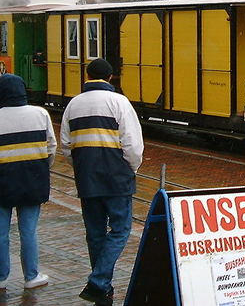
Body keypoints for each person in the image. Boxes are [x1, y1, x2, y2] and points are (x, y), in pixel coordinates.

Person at [61, 58, 144, 306]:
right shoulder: (119, 102)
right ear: (110, 78)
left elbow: (66, 145)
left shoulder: (73, 104)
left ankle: (103, 289)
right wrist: (130, 168)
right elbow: (132, 145)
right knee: (120, 229)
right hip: (116, 176)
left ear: (88, 76)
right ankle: (98, 282)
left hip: (87, 177)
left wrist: (83, 165)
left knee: (95, 233)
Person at [0, 74, 56, 291]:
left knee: (1, 233)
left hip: (2, 182)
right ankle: (31, 275)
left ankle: (2, 277)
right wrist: (41, 168)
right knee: (29, 230)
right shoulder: (40, 114)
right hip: (33, 180)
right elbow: (51, 147)